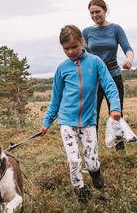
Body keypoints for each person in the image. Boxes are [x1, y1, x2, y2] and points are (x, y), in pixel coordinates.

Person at [39, 25, 121, 203]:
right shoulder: (62, 69)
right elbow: (56, 99)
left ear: (82, 42)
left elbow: (110, 86)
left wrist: (115, 107)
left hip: (89, 121)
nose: (70, 52)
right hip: (66, 122)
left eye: (74, 47)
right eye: (66, 49)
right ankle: (81, 193)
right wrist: (47, 121)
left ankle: (95, 173)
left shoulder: (96, 62)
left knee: (91, 162)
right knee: (74, 160)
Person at [82, 0, 134, 152]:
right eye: (92, 12)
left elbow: (127, 48)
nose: (95, 15)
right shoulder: (86, 32)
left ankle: (120, 148)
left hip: (113, 76)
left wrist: (129, 59)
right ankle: (92, 150)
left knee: (116, 113)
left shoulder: (116, 29)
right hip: (94, 80)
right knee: (93, 116)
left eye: (98, 11)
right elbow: (83, 54)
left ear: (105, 10)